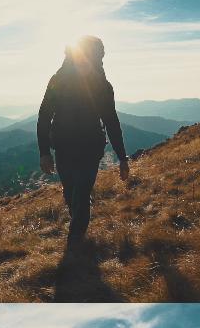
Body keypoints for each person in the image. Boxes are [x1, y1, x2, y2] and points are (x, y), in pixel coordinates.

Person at [36, 35, 131, 246]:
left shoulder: (101, 86)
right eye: (97, 54)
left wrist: (122, 157)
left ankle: (75, 242)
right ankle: (80, 223)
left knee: (80, 191)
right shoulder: (59, 81)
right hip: (64, 147)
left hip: (89, 148)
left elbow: (111, 121)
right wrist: (44, 152)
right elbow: (44, 116)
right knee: (71, 193)